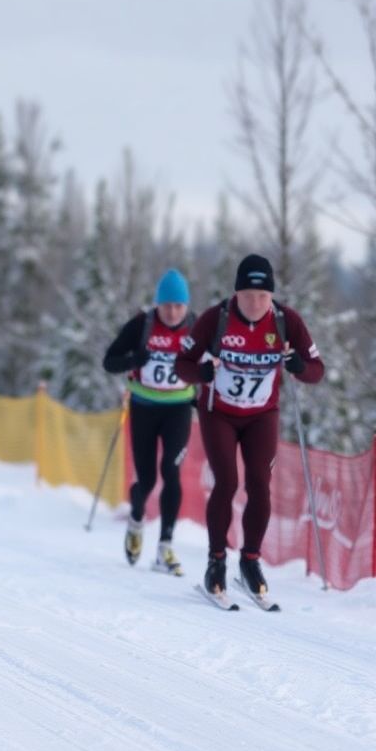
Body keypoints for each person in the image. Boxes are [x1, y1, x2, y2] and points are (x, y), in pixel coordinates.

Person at [174, 254, 324, 601]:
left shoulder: (287, 322)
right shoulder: (217, 319)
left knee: (260, 483)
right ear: (236, 294)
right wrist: (202, 374)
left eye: (262, 297)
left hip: (261, 415)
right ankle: (216, 562)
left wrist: (299, 365)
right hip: (219, 413)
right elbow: (182, 365)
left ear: (271, 297)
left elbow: (317, 370)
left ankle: (251, 561)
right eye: (247, 295)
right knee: (226, 482)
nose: (255, 303)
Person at [102, 268, 196, 576]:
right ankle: (137, 519)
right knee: (146, 480)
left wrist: (200, 395)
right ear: (157, 303)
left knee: (171, 469)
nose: (172, 312)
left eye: (178, 306)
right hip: (143, 407)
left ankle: (165, 548)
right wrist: (133, 361)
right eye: (167, 305)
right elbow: (109, 360)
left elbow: (210, 366)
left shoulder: (196, 327)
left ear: (186, 306)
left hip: (178, 408)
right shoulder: (142, 325)